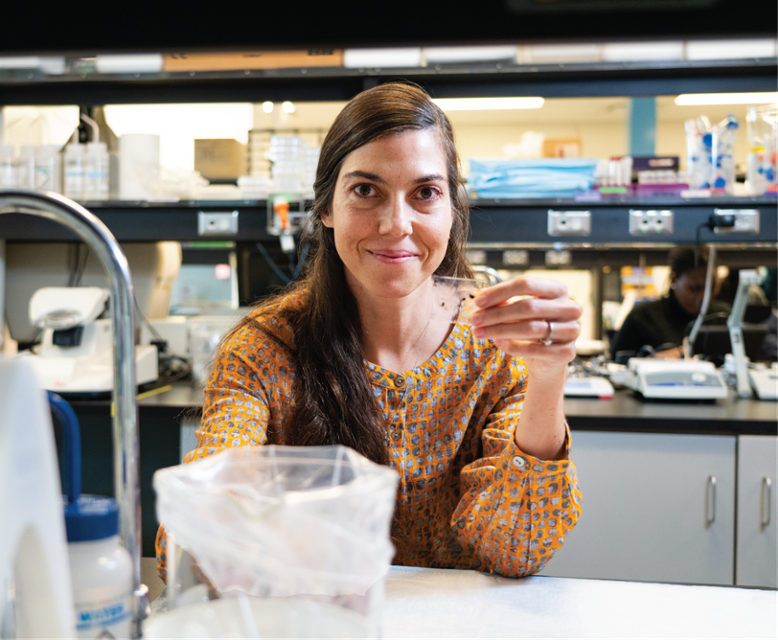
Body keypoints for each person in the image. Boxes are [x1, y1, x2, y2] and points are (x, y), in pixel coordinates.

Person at [156, 82, 583, 579]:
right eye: (365, 190)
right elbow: (189, 552)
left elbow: (515, 549)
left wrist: (549, 377)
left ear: (451, 210)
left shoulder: (497, 348)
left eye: (425, 193)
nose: (395, 223)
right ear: (326, 208)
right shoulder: (264, 349)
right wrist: (233, 498)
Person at [610, 245, 731, 361]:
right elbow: (614, 366)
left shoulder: (723, 316)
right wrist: (654, 360)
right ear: (674, 279)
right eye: (695, 288)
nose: (704, 297)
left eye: (711, 288)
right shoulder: (643, 317)